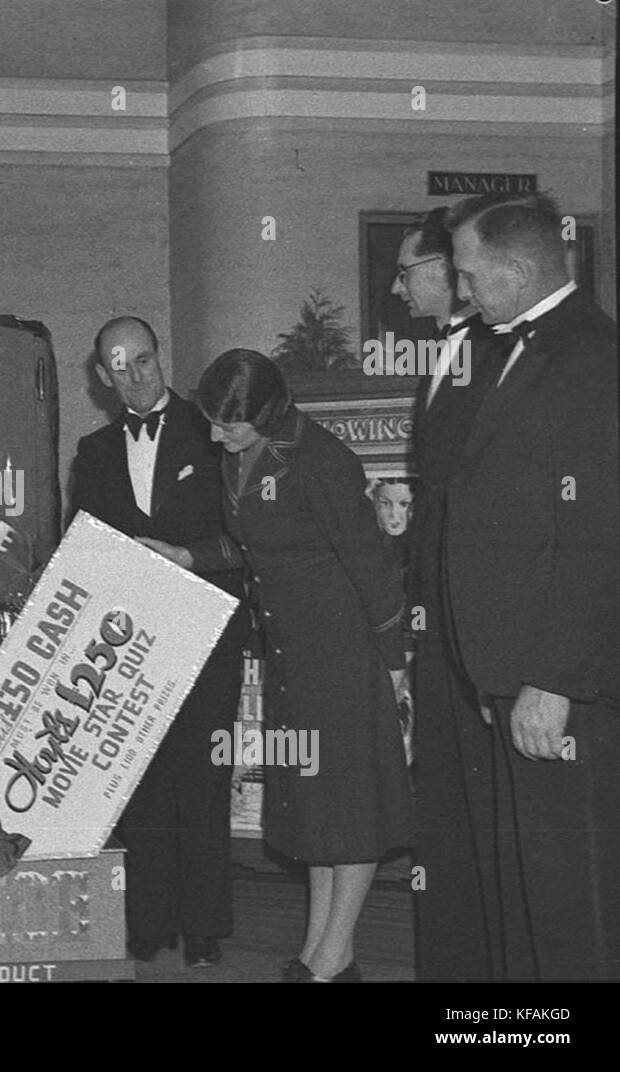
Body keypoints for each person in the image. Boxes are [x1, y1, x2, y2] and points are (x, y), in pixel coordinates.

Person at [444, 191, 619, 980]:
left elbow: (596, 537)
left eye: (469, 274)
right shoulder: (511, 347)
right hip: (513, 674)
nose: (461, 291)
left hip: (559, 683)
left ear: (516, 271)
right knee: (527, 895)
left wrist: (551, 678)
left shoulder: (590, 356)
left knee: (568, 904)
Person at [196, 349, 411, 982]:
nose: (215, 435)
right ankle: (321, 949)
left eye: (227, 425)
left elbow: (372, 563)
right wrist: (186, 551)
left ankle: (335, 957)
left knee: (352, 806)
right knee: (321, 810)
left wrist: (393, 660)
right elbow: (250, 541)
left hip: (342, 652)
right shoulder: (242, 456)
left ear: (264, 414)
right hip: (293, 654)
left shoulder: (322, 460)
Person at [71, 316, 246, 968]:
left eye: (144, 360)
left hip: (204, 636)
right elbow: (80, 551)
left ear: (158, 356)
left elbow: (244, 535)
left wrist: (187, 555)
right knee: (137, 782)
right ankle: (145, 921)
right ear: (102, 376)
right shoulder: (92, 454)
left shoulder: (214, 431)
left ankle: (204, 927)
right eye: (121, 367)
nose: (137, 376)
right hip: (127, 648)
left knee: (202, 781)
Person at [390, 206, 509, 981]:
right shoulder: (445, 355)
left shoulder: (492, 358)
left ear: (447, 272)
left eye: (408, 272)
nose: (398, 289)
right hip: (440, 626)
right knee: (448, 818)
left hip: (479, 630)